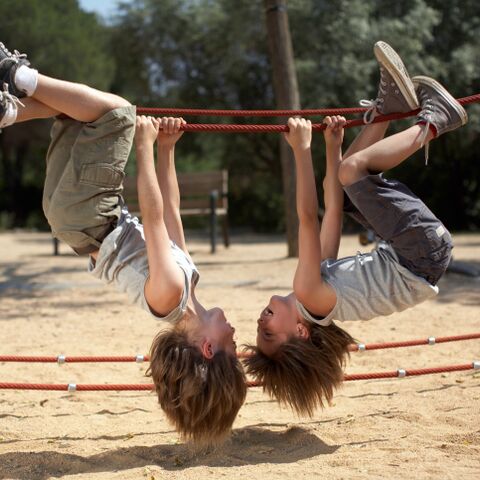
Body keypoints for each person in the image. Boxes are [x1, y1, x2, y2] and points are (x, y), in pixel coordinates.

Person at [0, 42, 246, 444]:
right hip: (75, 217)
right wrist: (168, 152)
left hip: (90, 214)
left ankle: (14, 73)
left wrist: (146, 148)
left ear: (207, 347)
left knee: (117, 114)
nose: (235, 330)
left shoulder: (170, 297)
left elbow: (151, 218)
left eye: (231, 344)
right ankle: (9, 111)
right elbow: (170, 217)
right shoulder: (189, 286)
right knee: (78, 111)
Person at [244, 41, 468, 416]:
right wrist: (301, 149)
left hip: (420, 254)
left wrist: (333, 148)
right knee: (352, 173)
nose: (260, 321)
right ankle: (436, 121)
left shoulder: (320, 300)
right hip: (418, 251)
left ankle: (387, 111)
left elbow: (332, 211)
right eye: (268, 332)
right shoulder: (308, 293)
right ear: (300, 332)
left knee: (346, 185)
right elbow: (307, 218)